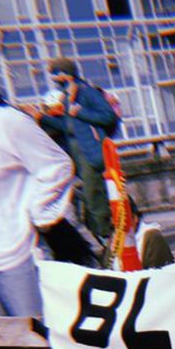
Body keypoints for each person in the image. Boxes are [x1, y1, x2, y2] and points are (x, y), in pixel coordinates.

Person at [0, 76, 75, 316]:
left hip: (13, 254)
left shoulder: (4, 121)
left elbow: (56, 167)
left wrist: (37, 215)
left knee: (35, 342)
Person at [24, 57, 119, 241]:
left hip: (91, 151)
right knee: (89, 199)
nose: (53, 78)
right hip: (77, 154)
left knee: (94, 196)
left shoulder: (87, 92)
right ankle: (105, 235)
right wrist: (40, 117)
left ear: (66, 74)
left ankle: (110, 236)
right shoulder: (68, 96)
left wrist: (80, 112)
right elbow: (68, 127)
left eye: (56, 74)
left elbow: (109, 117)